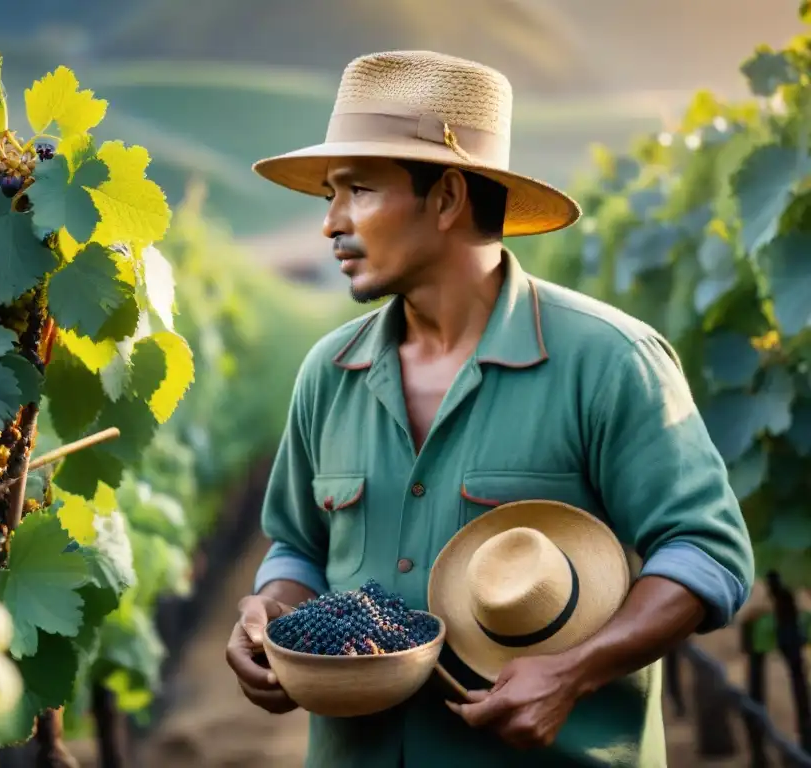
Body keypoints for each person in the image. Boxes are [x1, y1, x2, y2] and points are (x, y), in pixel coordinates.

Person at [224, 50, 755, 768]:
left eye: (359, 190)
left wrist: (573, 673)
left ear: (446, 198)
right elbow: (297, 548)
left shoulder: (608, 362)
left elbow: (706, 551)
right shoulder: (328, 374)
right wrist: (271, 617)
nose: (332, 224)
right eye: (328, 196)